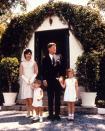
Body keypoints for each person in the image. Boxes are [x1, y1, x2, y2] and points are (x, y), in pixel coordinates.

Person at [42, 42, 63, 121]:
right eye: (53, 48)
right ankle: (50, 115)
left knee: (57, 98)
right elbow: (43, 70)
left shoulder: (59, 56)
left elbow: (62, 68)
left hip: (57, 81)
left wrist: (61, 77)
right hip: (49, 81)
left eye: (55, 47)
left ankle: (57, 115)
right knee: (50, 98)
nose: (55, 49)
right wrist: (44, 79)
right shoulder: (44, 58)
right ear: (49, 49)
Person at [19, 48, 38, 117]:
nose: (28, 55)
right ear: (24, 55)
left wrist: (32, 79)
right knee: (26, 98)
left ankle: (33, 112)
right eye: (27, 54)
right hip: (25, 82)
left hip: (32, 82)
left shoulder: (34, 62)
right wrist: (26, 80)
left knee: (31, 98)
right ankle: (28, 112)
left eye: (30, 54)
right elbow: (21, 73)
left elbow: (36, 72)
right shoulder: (22, 63)